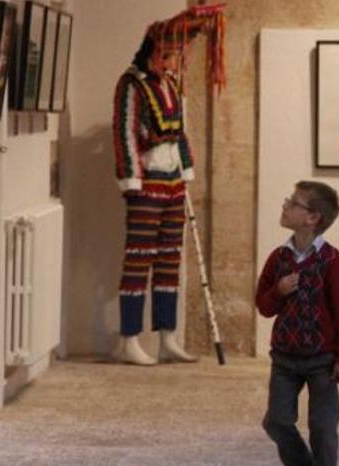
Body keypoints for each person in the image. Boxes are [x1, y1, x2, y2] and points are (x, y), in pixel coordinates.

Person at [111, 5, 225, 366]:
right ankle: (129, 338)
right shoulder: (131, 84)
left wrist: (187, 169)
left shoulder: (172, 84)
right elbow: (125, 132)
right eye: (172, 53)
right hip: (147, 183)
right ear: (155, 52)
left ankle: (167, 338)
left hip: (174, 181)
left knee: (169, 261)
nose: (176, 59)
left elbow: (180, 132)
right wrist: (132, 179)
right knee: (138, 259)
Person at [257, 181, 339, 466]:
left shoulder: (332, 261)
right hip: (285, 360)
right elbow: (263, 305)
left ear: (311, 218)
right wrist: (279, 290)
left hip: (323, 362)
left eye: (293, 203)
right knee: (276, 421)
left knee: (323, 429)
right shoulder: (278, 258)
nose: (285, 205)